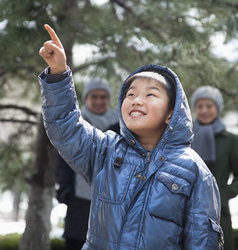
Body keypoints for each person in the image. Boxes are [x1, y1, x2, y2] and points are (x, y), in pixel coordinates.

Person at [39, 24, 223, 249]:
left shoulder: (195, 171)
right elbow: (64, 126)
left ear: (170, 114)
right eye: (131, 94)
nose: (136, 100)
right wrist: (58, 74)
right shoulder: (105, 150)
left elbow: (202, 242)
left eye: (150, 94)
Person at [55, 77, 119, 250]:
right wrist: (65, 192)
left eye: (103, 97)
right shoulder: (75, 122)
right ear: (86, 99)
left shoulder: (121, 125)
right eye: (94, 96)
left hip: (111, 202)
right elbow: (62, 158)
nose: (99, 101)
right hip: (79, 202)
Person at [191, 86, 238, 250]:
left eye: (209, 106)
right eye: (199, 106)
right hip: (188, 207)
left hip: (219, 211)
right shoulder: (186, 138)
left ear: (218, 108)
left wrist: (224, 194)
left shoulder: (230, 140)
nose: (204, 110)